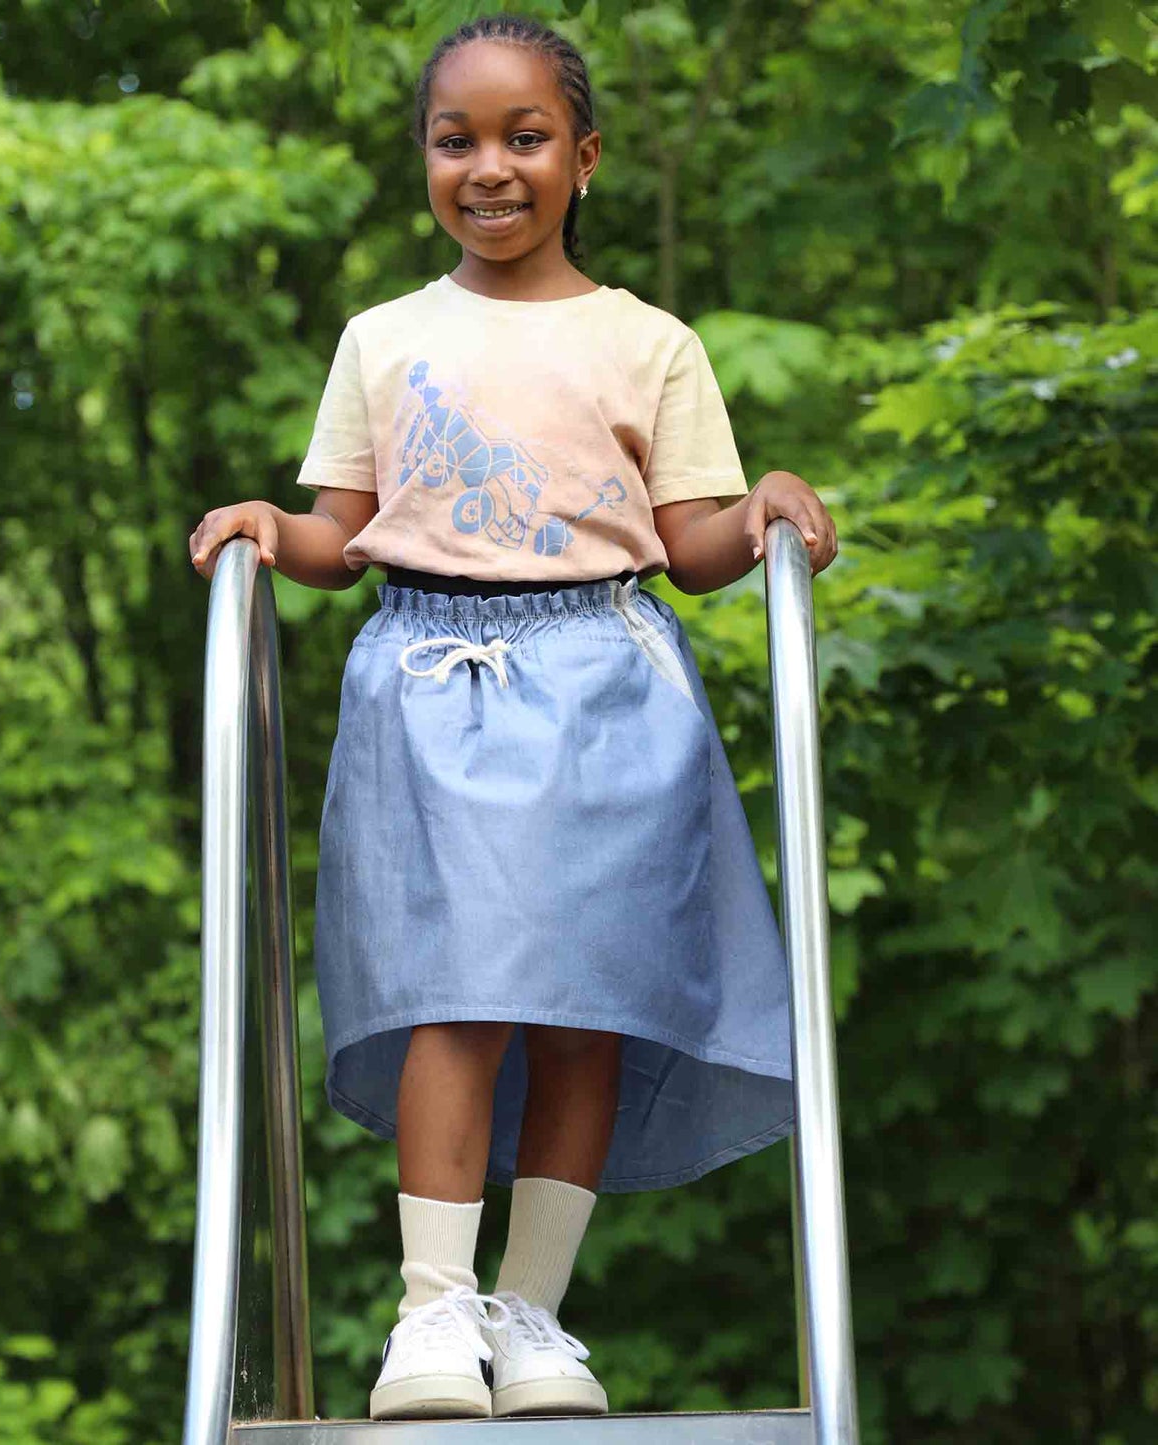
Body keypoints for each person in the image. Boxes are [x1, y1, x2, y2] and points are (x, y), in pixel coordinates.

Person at [189, 12, 839, 1425]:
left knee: (584, 1009)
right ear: (424, 158)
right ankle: (431, 1312)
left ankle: (532, 1310)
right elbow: (340, 529)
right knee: (456, 990)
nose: (489, 167)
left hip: (603, 682)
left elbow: (690, 543)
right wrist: (267, 526)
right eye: (456, 139)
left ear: (583, 157)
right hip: (430, 679)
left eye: (523, 137)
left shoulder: (646, 343)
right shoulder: (385, 337)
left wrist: (762, 508)